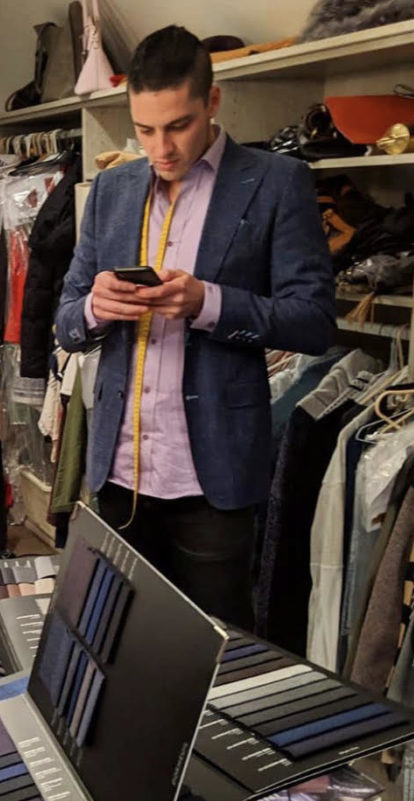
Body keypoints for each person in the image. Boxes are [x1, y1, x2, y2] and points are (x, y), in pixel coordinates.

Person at [55, 25, 335, 629]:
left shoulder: (275, 183)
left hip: (213, 473)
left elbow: (313, 321)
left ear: (212, 102)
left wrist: (209, 302)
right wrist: (96, 307)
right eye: (145, 129)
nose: (161, 148)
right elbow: (67, 318)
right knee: (119, 640)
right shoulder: (111, 189)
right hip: (118, 470)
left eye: (177, 125)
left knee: (214, 646)